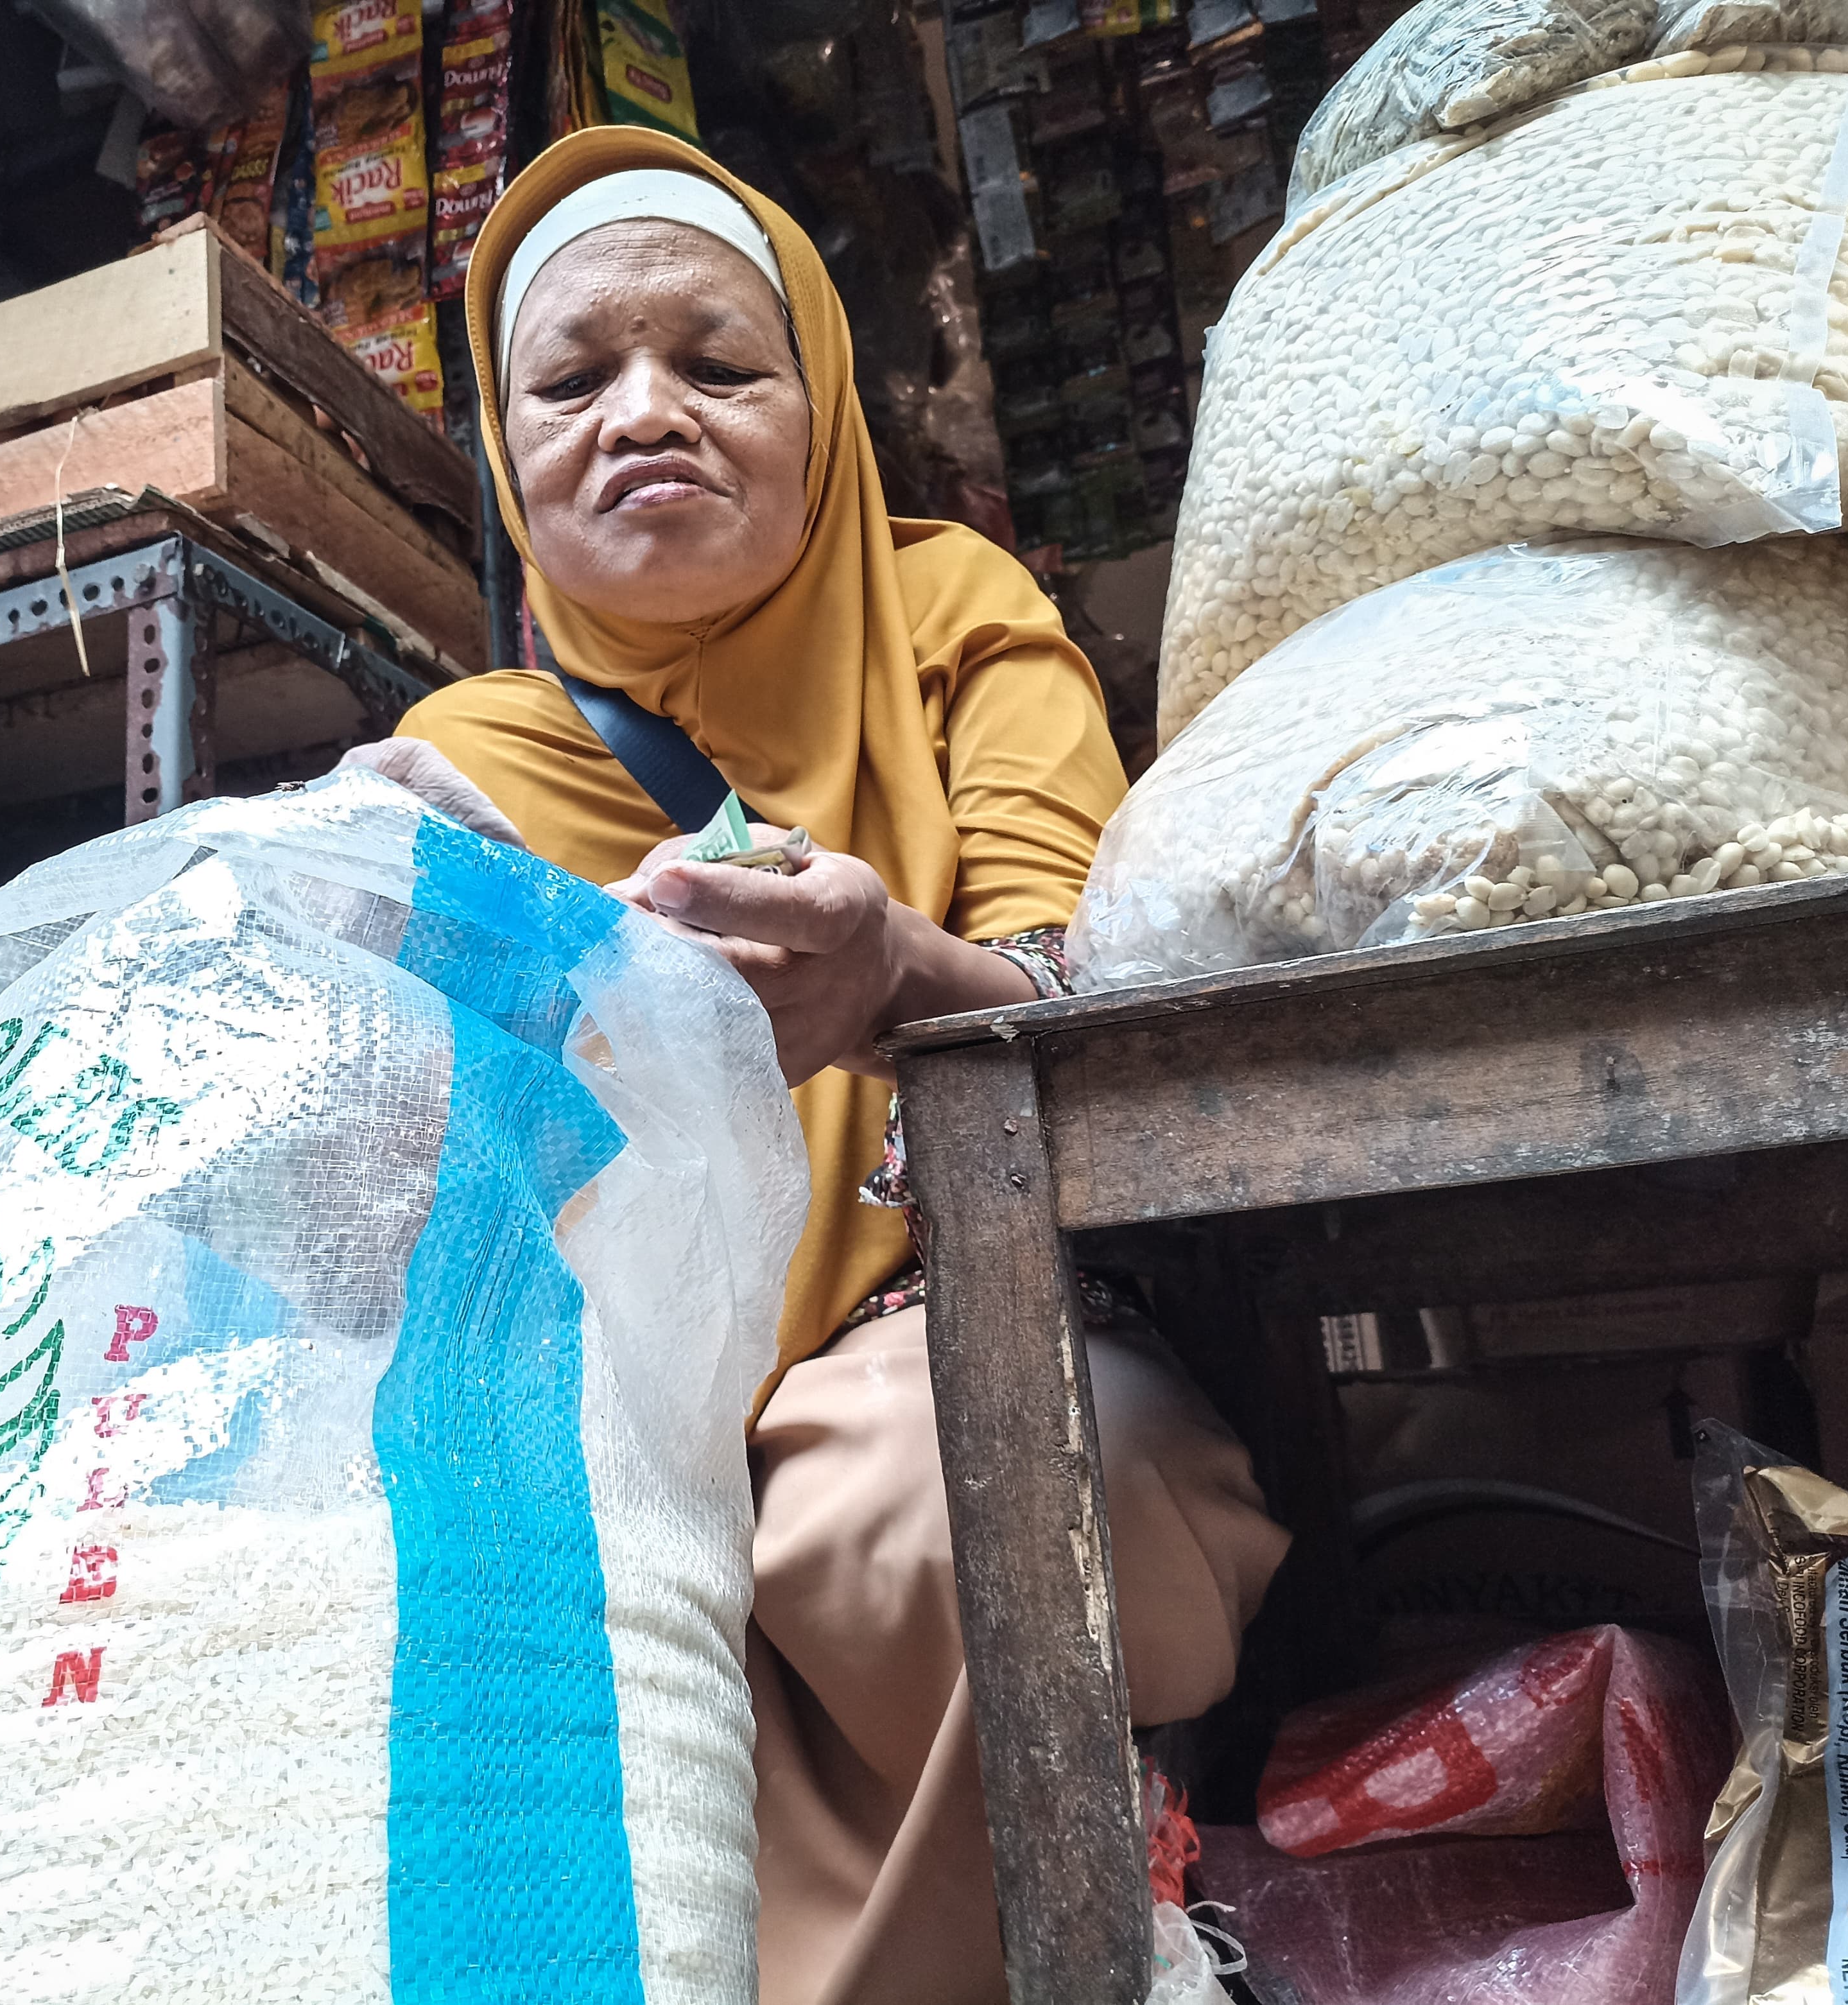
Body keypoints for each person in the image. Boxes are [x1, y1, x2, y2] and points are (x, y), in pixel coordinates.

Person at [391, 126, 1292, 2005]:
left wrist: (900, 979)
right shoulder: (454, 760)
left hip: (951, 1325)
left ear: (823, 416)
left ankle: (1095, 1932)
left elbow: (1098, 988)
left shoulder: (955, 617)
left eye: (720, 364)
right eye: (572, 379)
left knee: (936, 1502)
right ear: (506, 452)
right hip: (623, 1397)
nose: (647, 413)